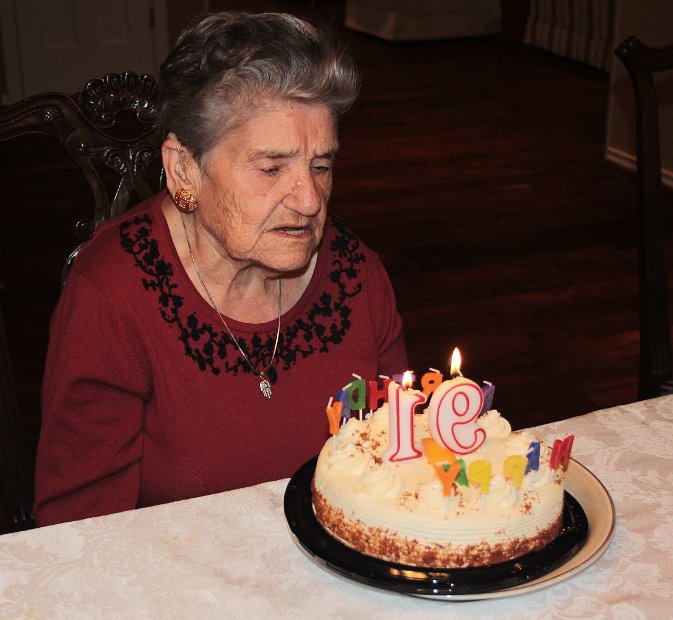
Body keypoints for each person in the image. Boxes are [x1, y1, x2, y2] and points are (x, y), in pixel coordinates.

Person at [33, 12, 407, 526]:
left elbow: (403, 472)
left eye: (321, 165)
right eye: (271, 168)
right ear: (185, 167)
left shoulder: (356, 276)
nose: (308, 198)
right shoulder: (112, 299)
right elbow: (78, 536)